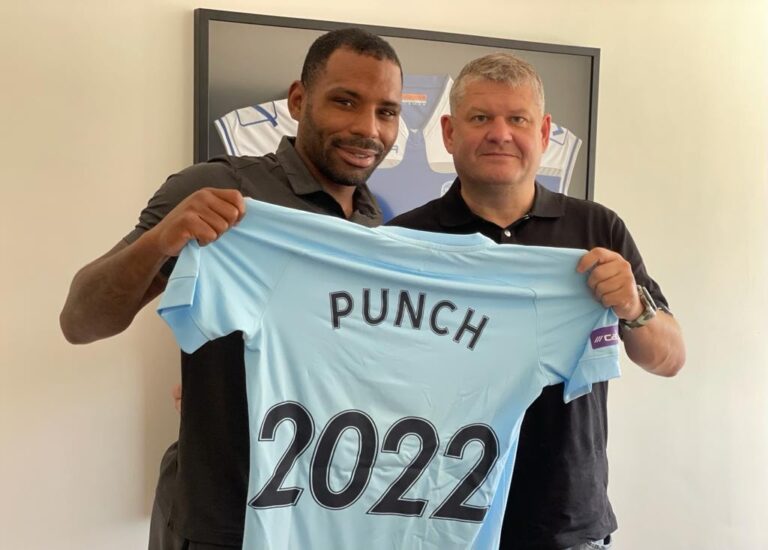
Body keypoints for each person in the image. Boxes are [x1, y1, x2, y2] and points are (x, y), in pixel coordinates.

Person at [59, 28, 403, 550]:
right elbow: (79, 322)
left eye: (387, 112)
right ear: (298, 100)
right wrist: (160, 240)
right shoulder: (222, 188)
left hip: (325, 515)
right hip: (220, 518)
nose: (367, 128)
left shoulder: (380, 225)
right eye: (345, 102)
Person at [388, 53, 686, 549]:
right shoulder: (404, 241)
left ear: (544, 133)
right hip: (435, 522)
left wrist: (634, 306)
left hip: (565, 524)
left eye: (518, 119)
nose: (499, 134)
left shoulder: (597, 228)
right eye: (480, 117)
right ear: (449, 133)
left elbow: (670, 359)